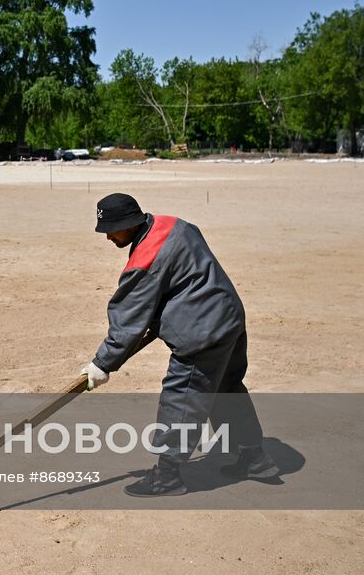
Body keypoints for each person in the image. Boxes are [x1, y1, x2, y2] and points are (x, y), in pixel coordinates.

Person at [82, 193, 278, 497]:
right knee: (227, 389)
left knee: (183, 397)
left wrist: (102, 364)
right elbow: (184, 276)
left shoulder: (145, 258)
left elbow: (128, 318)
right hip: (229, 317)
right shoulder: (175, 225)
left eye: (112, 229)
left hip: (201, 332)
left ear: (130, 223)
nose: (108, 236)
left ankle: (168, 476)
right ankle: (254, 458)